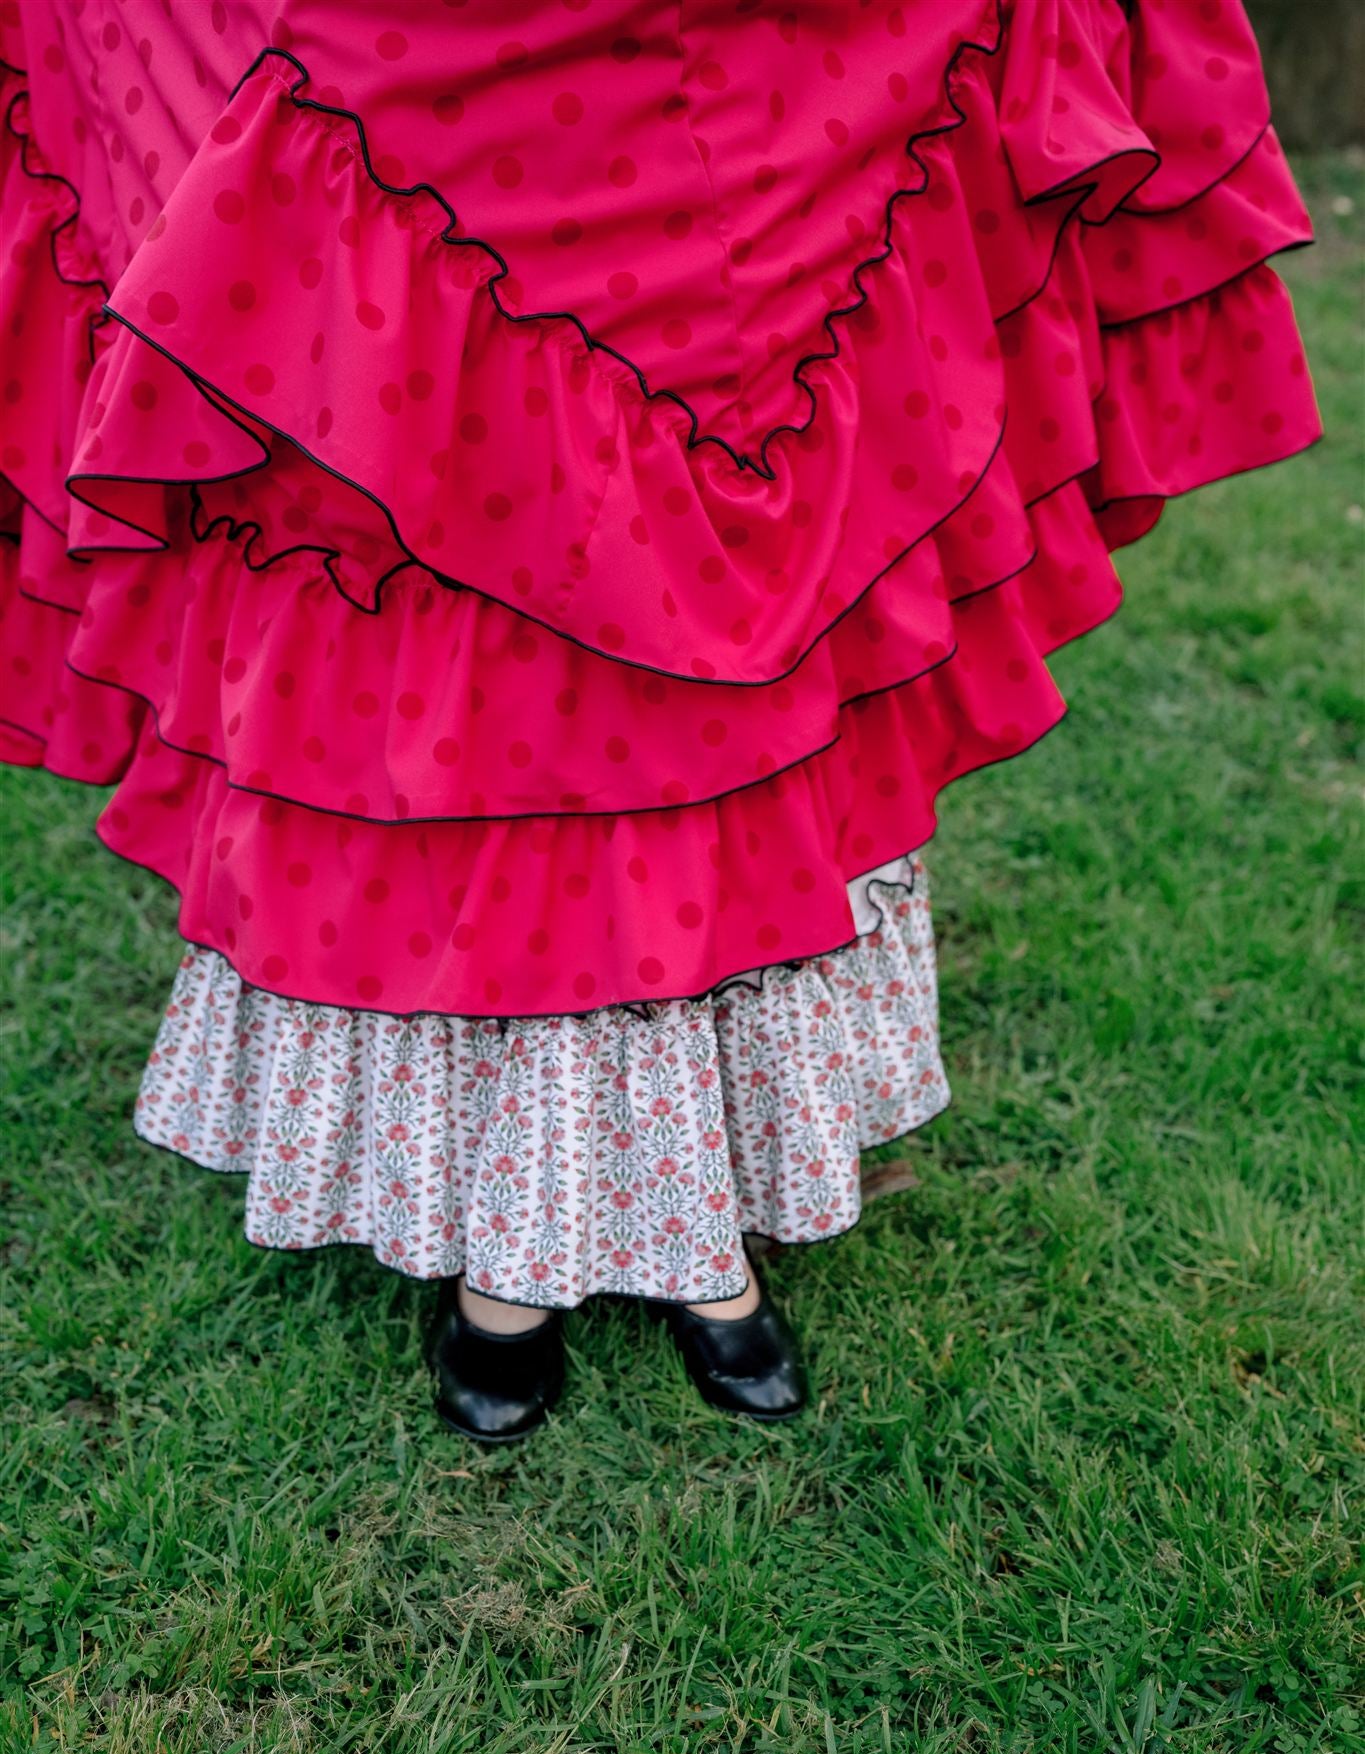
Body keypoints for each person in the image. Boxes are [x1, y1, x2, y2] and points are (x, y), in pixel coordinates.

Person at [1, 1, 1321, 1441]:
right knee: (485, 651)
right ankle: (510, 1251)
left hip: (734, 103)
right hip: (408, 70)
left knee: (712, 674)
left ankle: (701, 1218)